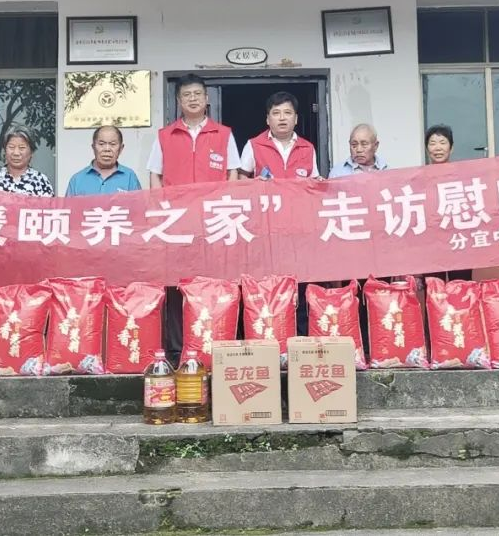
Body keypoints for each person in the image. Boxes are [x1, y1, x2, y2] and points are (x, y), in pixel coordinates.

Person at [148, 74, 241, 361]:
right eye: (186, 94)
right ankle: (178, 350)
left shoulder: (223, 134)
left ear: (206, 98)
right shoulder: (165, 135)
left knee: (215, 284)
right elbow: (155, 176)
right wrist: (163, 214)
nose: (192, 99)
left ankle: (216, 345)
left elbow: (233, 174)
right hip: (176, 226)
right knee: (177, 285)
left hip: (213, 224)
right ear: (179, 100)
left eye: (197, 94)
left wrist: (225, 210)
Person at [425, 124, 471, 283]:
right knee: (434, 290)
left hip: (458, 241)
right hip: (431, 245)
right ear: (427, 149)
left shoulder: (463, 176)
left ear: (451, 148)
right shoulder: (419, 178)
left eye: (443, 142)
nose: (438, 148)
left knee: (460, 288)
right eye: (432, 143)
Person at [239, 91, 319, 179]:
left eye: (287, 113)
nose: (282, 118)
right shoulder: (254, 145)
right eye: (276, 113)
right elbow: (241, 178)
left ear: (296, 119)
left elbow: (314, 181)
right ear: (268, 119)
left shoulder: (308, 148)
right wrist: (254, 183)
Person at [65, 125, 142, 196]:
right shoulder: (77, 180)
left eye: (113, 144)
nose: (107, 149)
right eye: (101, 144)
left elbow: (139, 205)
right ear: (93, 147)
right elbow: (68, 206)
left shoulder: (129, 177)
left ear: (121, 148)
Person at [0, 127, 54, 196]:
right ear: (5, 150)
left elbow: (49, 204)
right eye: (11, 147)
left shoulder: (41, 181)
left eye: (22, 148)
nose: (16, 153)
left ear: (31, 152)